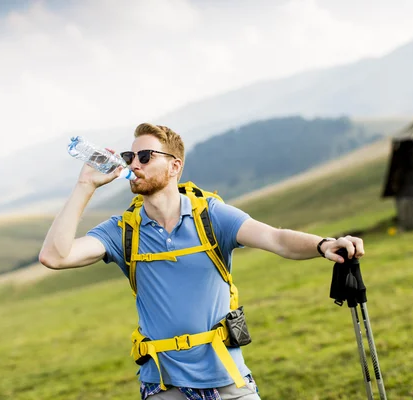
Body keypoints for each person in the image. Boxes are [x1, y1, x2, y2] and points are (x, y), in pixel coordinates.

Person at [39, 123, 365, 400]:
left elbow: (276, 239)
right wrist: (85, 186)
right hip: (163, 387)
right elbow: (55, 256)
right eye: (129, 157)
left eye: (145, 156)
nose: (133, 164)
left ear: (174, 166)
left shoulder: (210, 216)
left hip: (227, 381)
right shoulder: (121, 231)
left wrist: (323, 244)